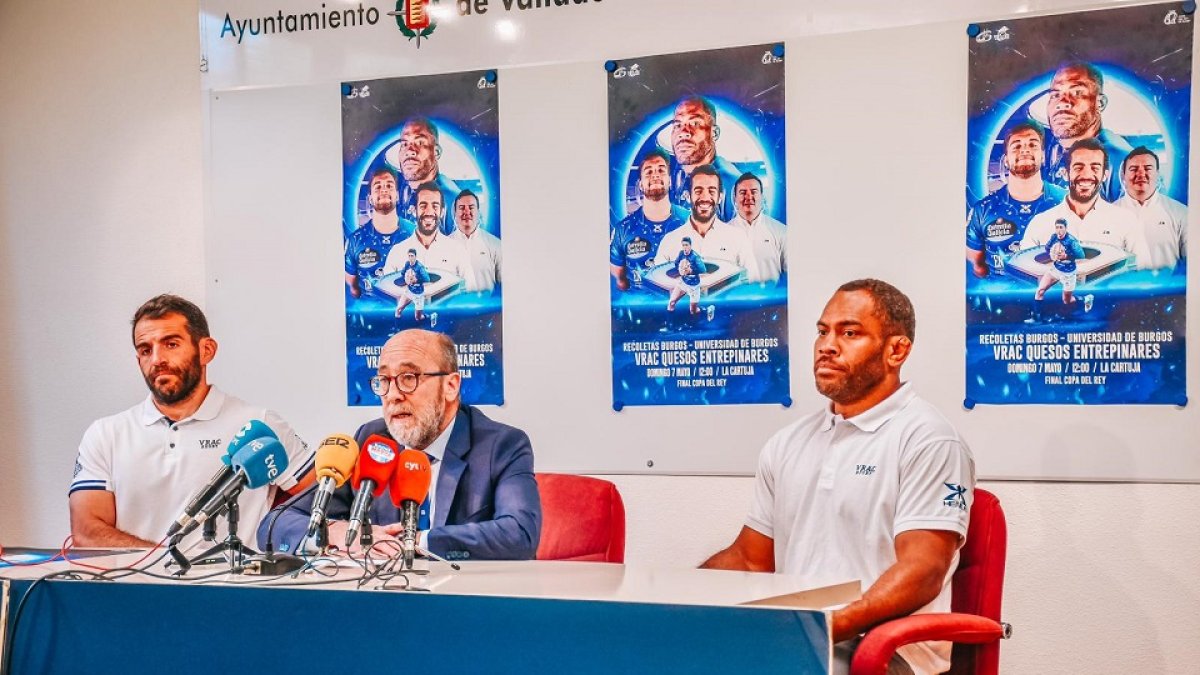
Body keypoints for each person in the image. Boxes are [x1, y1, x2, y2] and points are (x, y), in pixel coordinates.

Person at [701, 279, 975, 675]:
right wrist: (670, 601)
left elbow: (923, 572)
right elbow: (750, 559)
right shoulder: (788, 442)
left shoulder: (930, 440)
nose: (827, 345)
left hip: (887, 651)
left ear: (896, 350)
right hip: (796, 636)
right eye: (822, 331)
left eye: (849, 333)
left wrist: (825, 625)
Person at [258, 329, 541, 560]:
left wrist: (413, 541)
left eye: (409, 378)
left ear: (451, 386)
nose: (392, 395)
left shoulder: (502, 445)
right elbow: (275, 523)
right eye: (384, 380)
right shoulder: (372, 440)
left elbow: (519, 534)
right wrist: (335, 531)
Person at [69, 295, 314, 549]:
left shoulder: (258, 424)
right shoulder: (105, 434)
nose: (156, 360)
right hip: (134, 586)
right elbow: (88, 533)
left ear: (206, 350)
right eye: (145, 350)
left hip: (232, 587)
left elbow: (325, 500)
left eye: (171, 344)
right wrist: (168, 564)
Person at [1021, 139, 1147, 266]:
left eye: (1095, 168)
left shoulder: (1126, 221)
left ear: (1105, 175)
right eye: (1078, 167)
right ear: (1065, 173)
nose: (1086, 175)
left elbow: (1142, 274)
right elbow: (1024, 273)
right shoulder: (1039, 224)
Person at [965, 122, 1065, 277]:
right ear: (1005, 160)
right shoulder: (983, 210)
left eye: (1032, 145)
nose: (1025, 150)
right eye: (1017, 146)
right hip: (1003, 298)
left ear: (1043, 156)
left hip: (1055, 297)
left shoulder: (1067, 201)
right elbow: (977, 268)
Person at [1043, 62, 1132, 201]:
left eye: (1077, 92)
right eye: (1055, 95)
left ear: (1100, 103)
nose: (1062, 102)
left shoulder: (1122, 163)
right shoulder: (1066, 150)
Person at [610, 149, 688, 291]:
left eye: (661, 170)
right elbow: (620, 282)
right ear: (640, 184)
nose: (655, 175)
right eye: (648, 171)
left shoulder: (690, 221)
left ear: (670, 181)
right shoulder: (623, 230)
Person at [654, 165, 750, 270]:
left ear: (720, 198)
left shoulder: (738, 238)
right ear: (688, 196)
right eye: (698, 191)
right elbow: (657, 281)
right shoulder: (669, 241)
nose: (705, 198)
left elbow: (750, 282)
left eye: (711, 191)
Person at [668, 96, 741, 222]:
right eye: (678, 125)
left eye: (695, 123)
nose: (683, 132)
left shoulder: (733, 187)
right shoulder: (683, 175)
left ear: (714, 133)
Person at [1114, 146, 1188, 271]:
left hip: (1167, 289)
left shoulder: (1181, 213)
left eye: (1148, 168)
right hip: (1122, 289)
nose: (1141, 174)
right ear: (1123, 175)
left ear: (1158, 174)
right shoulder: (1109, 215)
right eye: (1133, 169)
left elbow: (1192, 265)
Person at [385, 182, 469, 285]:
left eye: (435, 206)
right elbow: (387, 294)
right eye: (423, 206)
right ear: (414, 211)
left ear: (442, 212)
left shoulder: (457, 250)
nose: (429, 212)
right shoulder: (396, 253)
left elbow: (469, 293)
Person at [345, 168, 411, 298]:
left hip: (409, 314)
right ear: (370, 199)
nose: (384, 189)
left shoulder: (415, 233)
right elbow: (353, 288)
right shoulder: (355, 240)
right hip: (371, 314)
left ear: (397, 196)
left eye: (389, 185)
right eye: (377, 187)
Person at [394, 117, 459, 235]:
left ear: (436, 152)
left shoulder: (453, 203)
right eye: (404, 144)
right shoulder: (404, 190)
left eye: (420, 142)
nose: (409, 150)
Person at [1026, 219, 1092, 324]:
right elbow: (1047, 248)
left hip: (1068, 273)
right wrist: (1053, 250)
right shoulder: (1054, 237)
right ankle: (1036, 319)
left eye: (1061, 227)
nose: (1059, 230)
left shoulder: (1071, 240)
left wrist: (1067, 256)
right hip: (1055, 269)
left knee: (1067, 300)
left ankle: (1085, 299)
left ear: (1066, 228)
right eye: (1057, 227)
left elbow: (1081, 255)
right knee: (1040, 291)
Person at [728, 172, 787, 283]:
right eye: (743, 192)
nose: (748, 197)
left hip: (772, 299)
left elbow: (790, 277)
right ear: (735, 198)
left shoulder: (781, 231)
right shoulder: (723, 234)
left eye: (754, 192)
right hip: (735, 299)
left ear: (762, 196)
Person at [449, 189, 502, 292]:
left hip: (486, 307)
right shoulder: (444, 246)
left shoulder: (495, 244)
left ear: (478, 211)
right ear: (455, 213)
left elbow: (504, 288)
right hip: (454, 307)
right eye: (461, 208)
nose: (466, 212)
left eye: (471, 207)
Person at [667, 237, 705, 314]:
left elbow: (703, 269)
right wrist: (680, 269)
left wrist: (691, 271)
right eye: (683, 245)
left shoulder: (695, 256)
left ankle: (702, 312)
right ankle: (671, 322)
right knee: (671, 303)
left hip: (694, 286)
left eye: (686, 245)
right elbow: (676, 263)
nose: (685, 247)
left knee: (693, 311)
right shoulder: (681, 253)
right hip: (683, 282)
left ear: (690, 246)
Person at [396, 249, 431, 321]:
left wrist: (416, 280)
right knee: (398, 311)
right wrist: (407, 278)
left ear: (415, 256)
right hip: (409, 291)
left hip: (418, 294)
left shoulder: (420, 267)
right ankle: (398, 327)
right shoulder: (407, 264)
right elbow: (402, 273)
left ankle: (426, 316)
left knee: (418, 318)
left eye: (412, 256)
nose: (410, 258)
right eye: (409, 256)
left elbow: (427, 279)